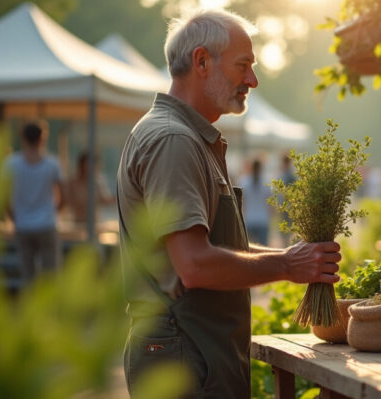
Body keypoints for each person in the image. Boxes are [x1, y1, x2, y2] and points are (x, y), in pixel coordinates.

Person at [116, 9, 341, 398]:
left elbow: (215, 249)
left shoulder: (188, 137)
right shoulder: (174, 140)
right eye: (243, 65)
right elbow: (195, 265)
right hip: (183, 357)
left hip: (192, 351)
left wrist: (296, 258)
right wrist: (287, 265)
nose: (252, 80)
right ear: (202, 61)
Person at [4, 121, 64, 281]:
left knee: (28, 277)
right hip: (47, 224)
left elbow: (4, 197)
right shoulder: (52, 164)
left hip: (22, 225)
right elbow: (63, 195)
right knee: (51, 277)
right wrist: (54, 213)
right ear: (42, 138)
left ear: (23, 138)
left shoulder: (11, 163)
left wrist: (14, 217)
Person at [65, 151, 115, 227]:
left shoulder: (98, 182)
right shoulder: (73, 183)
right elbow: (67, 201)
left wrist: (117, 198)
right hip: (79, 224)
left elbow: (105, 199)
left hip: (95, 224)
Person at [238, 158, 271, 245]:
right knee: (264, 249)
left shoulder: (244, 182)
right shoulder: (266, 183)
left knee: (249, 249)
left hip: (249, 221)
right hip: (263, 221)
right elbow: (270, 205)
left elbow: (242, 204)